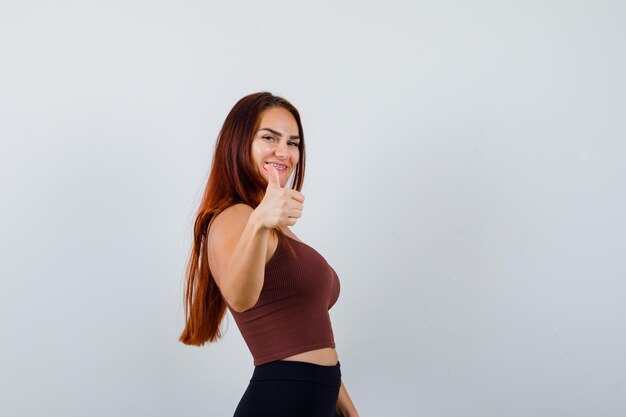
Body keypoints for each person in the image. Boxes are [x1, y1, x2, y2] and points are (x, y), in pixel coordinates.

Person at [179, 92, 359, 417]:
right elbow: (239, 297)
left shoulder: (274, 224)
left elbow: (314, 339)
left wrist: (349, 411)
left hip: (318, 398)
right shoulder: (234, 217)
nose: (284, 151)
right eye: (269, 138)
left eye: (293, 142)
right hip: (283, 401)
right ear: (238, 143)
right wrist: (259, 221)